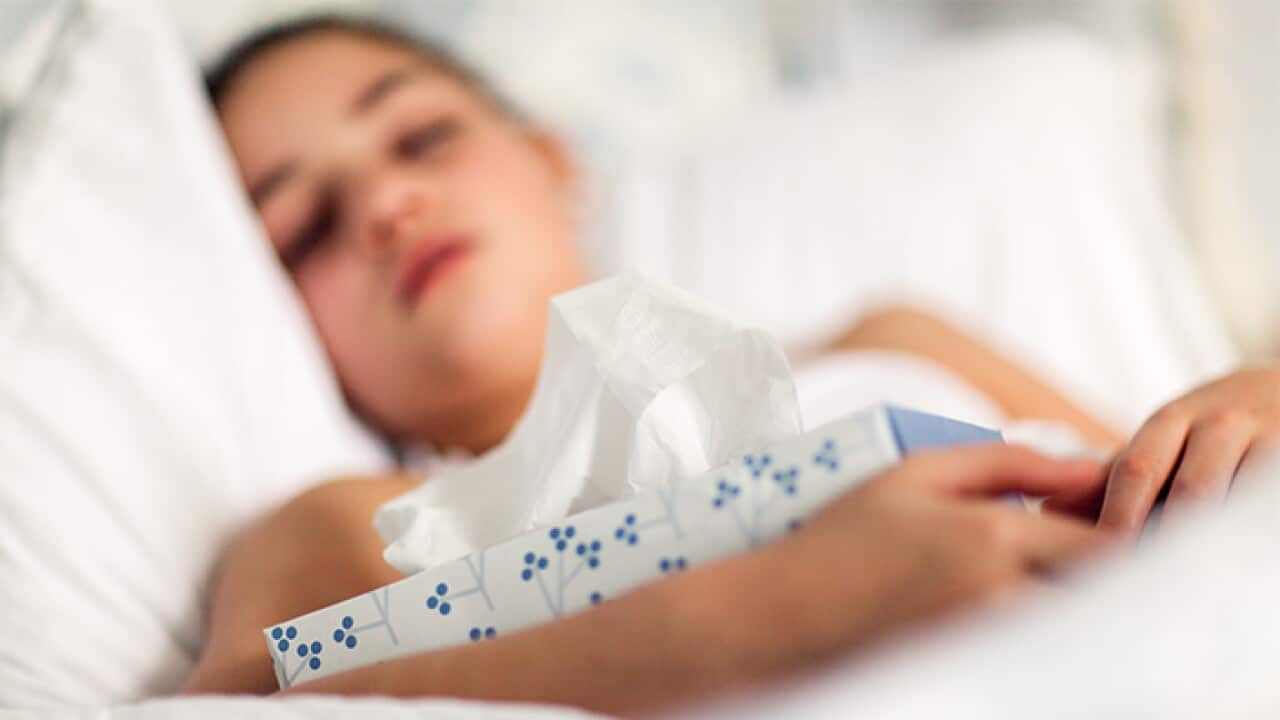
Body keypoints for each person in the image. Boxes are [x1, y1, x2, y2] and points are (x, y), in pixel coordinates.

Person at [182, 16, 1280, 714]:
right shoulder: (341, 522)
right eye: (305, 227)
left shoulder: (891, 341)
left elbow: (1159, 465)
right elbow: (248, 700)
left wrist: (1247, 407)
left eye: (420, 137)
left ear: (550, 161)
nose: (384, 204)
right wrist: (771, 609)